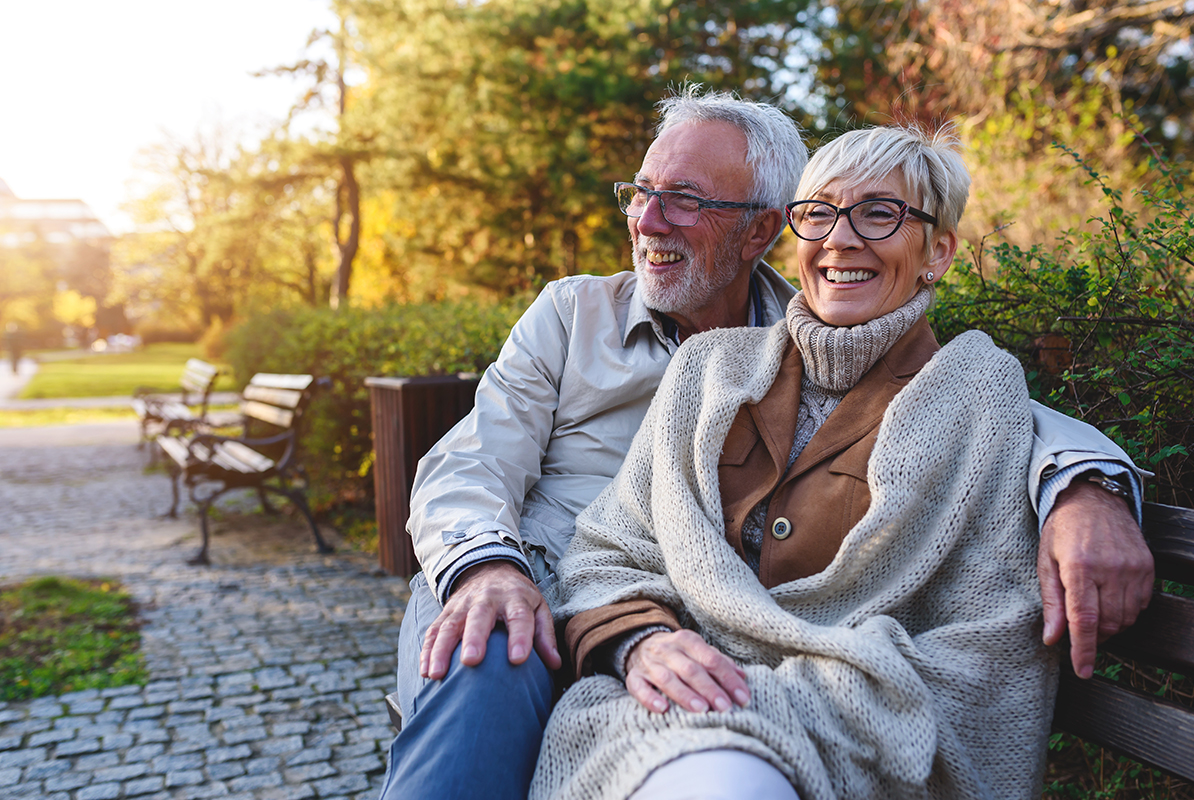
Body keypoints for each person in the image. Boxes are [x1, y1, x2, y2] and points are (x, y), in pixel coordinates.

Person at [379, 88, 1151, 800]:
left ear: (760, 230)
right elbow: (471, 461)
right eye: (641, 193)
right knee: (485, 660)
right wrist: (487, 568)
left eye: (684, 199)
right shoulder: (575, 315)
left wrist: (1087, 483)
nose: (648, 221)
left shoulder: (805, 332)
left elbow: (976, 403)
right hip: (528, 583)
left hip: (681, 645)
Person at [534, 121, 1064, 800]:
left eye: (880, 213)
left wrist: (768, 699)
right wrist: (643, 643)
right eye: (818, 214)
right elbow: (609, 550)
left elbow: (989, 634)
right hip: (659, 712)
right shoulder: (707, 370)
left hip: (855, 729)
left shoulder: (979, 394)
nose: (841, 238)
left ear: (938, 250)